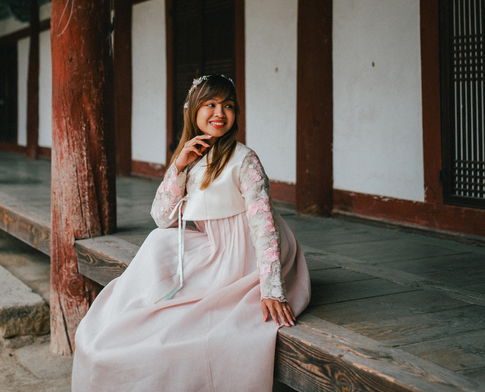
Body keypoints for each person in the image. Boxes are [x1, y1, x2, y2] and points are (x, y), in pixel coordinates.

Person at [71, 74, 311, 391]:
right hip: (216, 246)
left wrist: (272, 290)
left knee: (204, 325)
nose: (219, 113)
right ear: (193, 111)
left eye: (228, 105)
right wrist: (179, 167)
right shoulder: (193, 159)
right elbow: (161, 217)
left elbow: (264, 226)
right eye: (210, 105)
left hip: (251, 252)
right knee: (159, 241)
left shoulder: (245, 160)